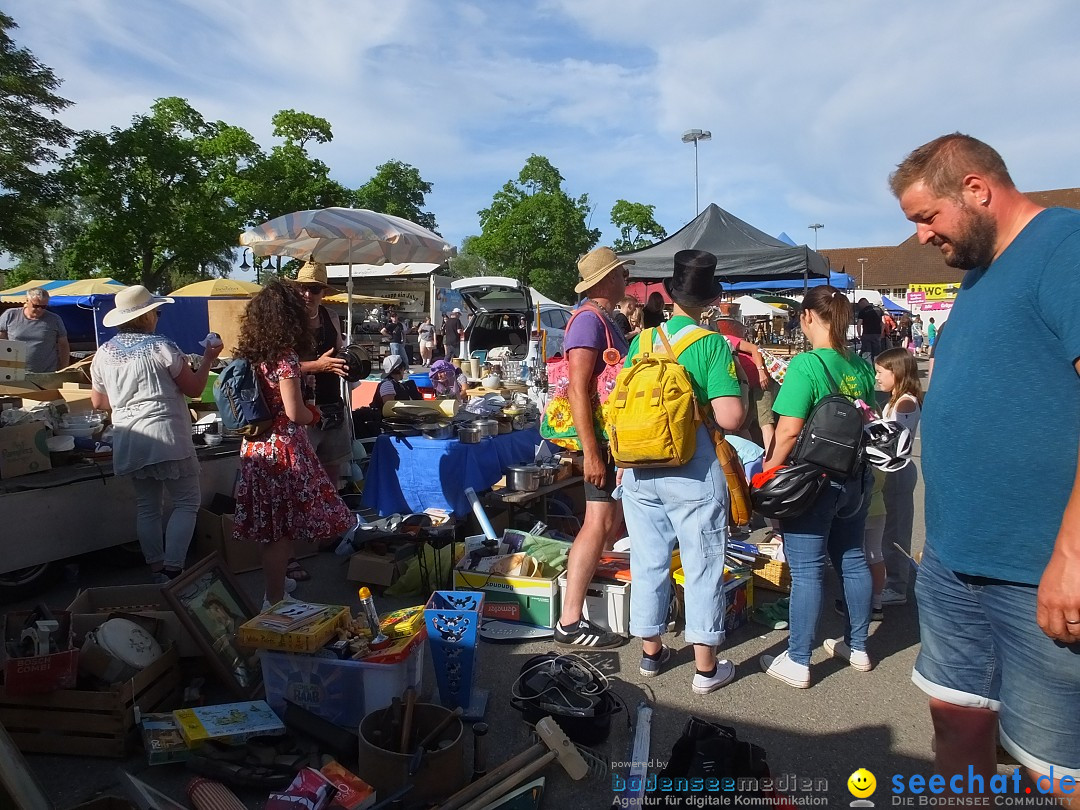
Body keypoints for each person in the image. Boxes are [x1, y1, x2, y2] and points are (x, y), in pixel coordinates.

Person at [891, 133, 1080, 796]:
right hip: (953, 565)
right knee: (957, 725)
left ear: (977, 189)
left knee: (1056, 765)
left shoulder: (1065, 246)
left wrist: (1073, 554)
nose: (920, 236)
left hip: (1034, 574)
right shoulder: (977, 275)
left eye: (926, 216)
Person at [618, 249, 745, 693]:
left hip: (638, 467)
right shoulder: (712, 345)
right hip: (692, 469)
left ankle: (651, 653)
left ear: (670, 296)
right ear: (710, 300)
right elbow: (729, 418)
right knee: (702, 562)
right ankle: (706, 668)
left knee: (649, 558)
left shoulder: (642, 342)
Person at [759, 285, 877, 689]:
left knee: (807, 570)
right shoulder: (859, 364)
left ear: (808, 316)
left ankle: (798, 659)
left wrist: (767, 470)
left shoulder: (806, 366)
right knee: (852, 557)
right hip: (856, 477)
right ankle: (858, 645)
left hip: (814, 480)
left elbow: (789, 430)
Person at [231, 281, 354, 607]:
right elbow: (295, 412)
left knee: (270, 527)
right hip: (283, 450)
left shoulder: (253, 354)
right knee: (280, 533)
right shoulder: (284, 358)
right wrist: (313, 415)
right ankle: (273, 599)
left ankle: (278, 586)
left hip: (256, 446)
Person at [90, 285, 221, 584]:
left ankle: (157, 569)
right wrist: (208, 358)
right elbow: (195, 389)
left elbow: (99, 403)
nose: (158, 317)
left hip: (129, 437)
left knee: (148, 506)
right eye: (157, 312)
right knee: (186, 502)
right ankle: (173, 571)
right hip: (166, 434)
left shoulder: (103, 353)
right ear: (146, 316)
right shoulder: (161, 346)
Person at [555, 246, 630, 648]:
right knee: (596, 522)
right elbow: (577, 391)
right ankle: (570, 620)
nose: (625, 280)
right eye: (620, 274)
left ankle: (585, 606)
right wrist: (592, 453)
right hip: (600, 442)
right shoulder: (588, 322)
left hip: (610, 441)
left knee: (606, 522)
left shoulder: (602, 320)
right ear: (604, 280)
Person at [288, 261, 350, 567]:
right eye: (303, 287)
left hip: (331, 401)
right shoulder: (288, 321)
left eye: (313, 289)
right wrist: (315, 366)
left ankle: (329, 533)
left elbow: (338, 351)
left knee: (332, 472)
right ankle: (297, 549)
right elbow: (278, 368)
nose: (307, 294)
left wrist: (349, 362)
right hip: (299, 406)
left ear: (323, 292)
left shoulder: (331, 316)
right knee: (301, 477)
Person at [873, 348, 923, 612]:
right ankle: (891, 581)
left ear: (897, 371)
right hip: (890, 470)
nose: (877, 377)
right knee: (886, 529)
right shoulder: (896, 399)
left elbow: (896, 439)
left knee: (895, 531)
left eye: (881, 372)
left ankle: (897, 585)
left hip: (897, 471)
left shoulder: (905, 402)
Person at [0, 288, 70, 372]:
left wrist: (64, 368)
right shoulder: (10, 315)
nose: (40, 309)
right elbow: (1, 340)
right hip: (14, 371)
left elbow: (63, 345)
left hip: (46, 373)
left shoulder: (54, 319)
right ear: (27, 301)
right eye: (36, 306)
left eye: (43, 306)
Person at [855, 297, 885, 362]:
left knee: (867, 354)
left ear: (863, 303)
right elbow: (883, 323)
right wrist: (881, 333)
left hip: (866, 334)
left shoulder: (862, 311)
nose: (860, 307)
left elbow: (859, 324)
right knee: (877, 354)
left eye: (860, 305)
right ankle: (877, 369)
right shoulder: (879, 309)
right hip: (877, 334)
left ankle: (869, 369)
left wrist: (859, 334)